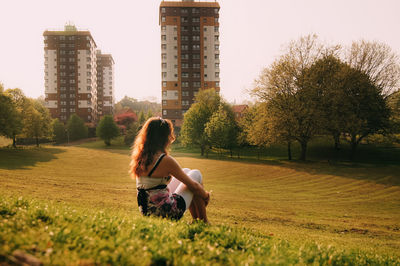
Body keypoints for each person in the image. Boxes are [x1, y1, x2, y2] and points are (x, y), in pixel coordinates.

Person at [130, 117, 210, 222]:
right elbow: (194, 186)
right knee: (196, 174)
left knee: (186, 171)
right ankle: (204, 221)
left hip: (148, 211)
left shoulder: (141, 157)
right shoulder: (164, 160)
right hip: (166, 213)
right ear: (164, 138)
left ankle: (196, 221)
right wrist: (206, 195)